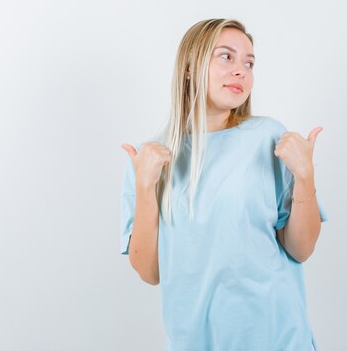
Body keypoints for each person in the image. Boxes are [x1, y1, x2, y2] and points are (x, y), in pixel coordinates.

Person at [119, 18, 329, 351]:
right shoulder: (151, 158)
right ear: (190, 67)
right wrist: (145, 190)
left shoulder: (268, 137)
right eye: (226, 57)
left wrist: (305, 177)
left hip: (277, 339)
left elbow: (300, 249)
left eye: (249, 62)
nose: (241, 71)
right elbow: (149, 271)